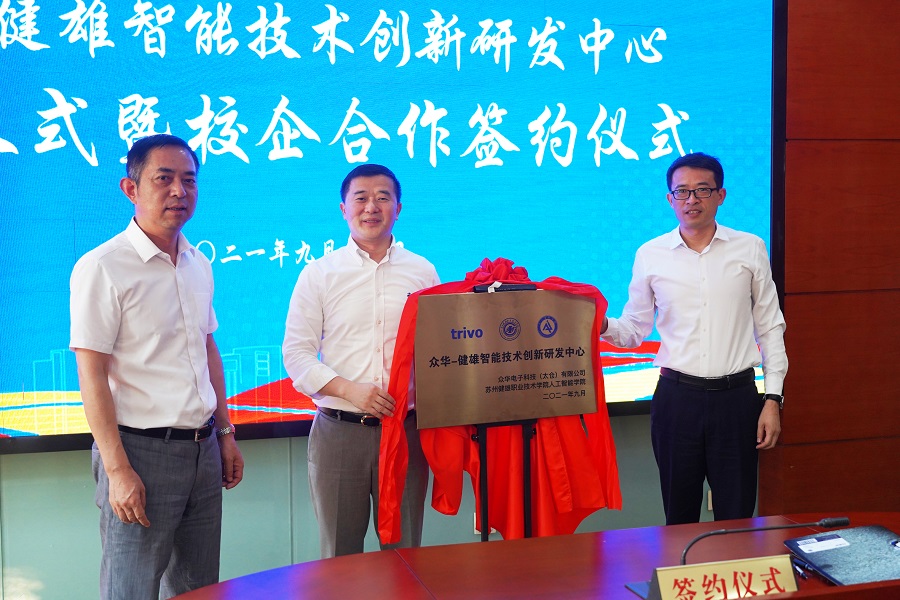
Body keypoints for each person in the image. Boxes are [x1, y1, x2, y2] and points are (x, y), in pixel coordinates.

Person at [70, 134, 244, 599]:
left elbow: (207, 350)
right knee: (131, 589)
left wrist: (225, 432)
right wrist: (117, 470)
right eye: (163, 179)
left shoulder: (197, 262)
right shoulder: (103, 266)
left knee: (198, 588)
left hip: (203, 451)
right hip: (139, 454)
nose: (178, 191)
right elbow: (91, 373)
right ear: (131, 188)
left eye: (189, 180)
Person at [600, 152, 787, 525]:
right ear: (669, 198)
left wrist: (773, 400)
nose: (692, 200)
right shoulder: (651, 254)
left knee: (735, 516)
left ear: (721, 195)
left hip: (737, 400)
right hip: (676, 400)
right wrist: (597, 323)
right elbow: (634, 329)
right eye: (682, 191)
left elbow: (770, 326)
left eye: (702, 190)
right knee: (679, 515)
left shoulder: (750, 247)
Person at [283, 163, 439, 558]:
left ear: (398, 208)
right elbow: (296, 354)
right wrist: (350, 391)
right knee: (340, 556)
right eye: (361, 198)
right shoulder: (319, 274)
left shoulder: (422, 272)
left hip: (404, 432)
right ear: (343, 209)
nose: (372, 207)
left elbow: (437, 352)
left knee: (406, 555)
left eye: (383, 198)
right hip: (339, 432)